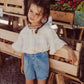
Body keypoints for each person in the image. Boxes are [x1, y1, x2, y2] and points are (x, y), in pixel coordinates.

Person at [12, 0, 77, 84]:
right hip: (27, 59)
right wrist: (23, 63)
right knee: (28, 81)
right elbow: (23, 48)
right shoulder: (25, 31)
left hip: (41, 59)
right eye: (31, 11)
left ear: (44, 17)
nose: (32, 15)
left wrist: (69, 49)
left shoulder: (46, 30)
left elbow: (56, 41)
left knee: (42, 81)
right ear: (28, 10)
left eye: (37, 14)